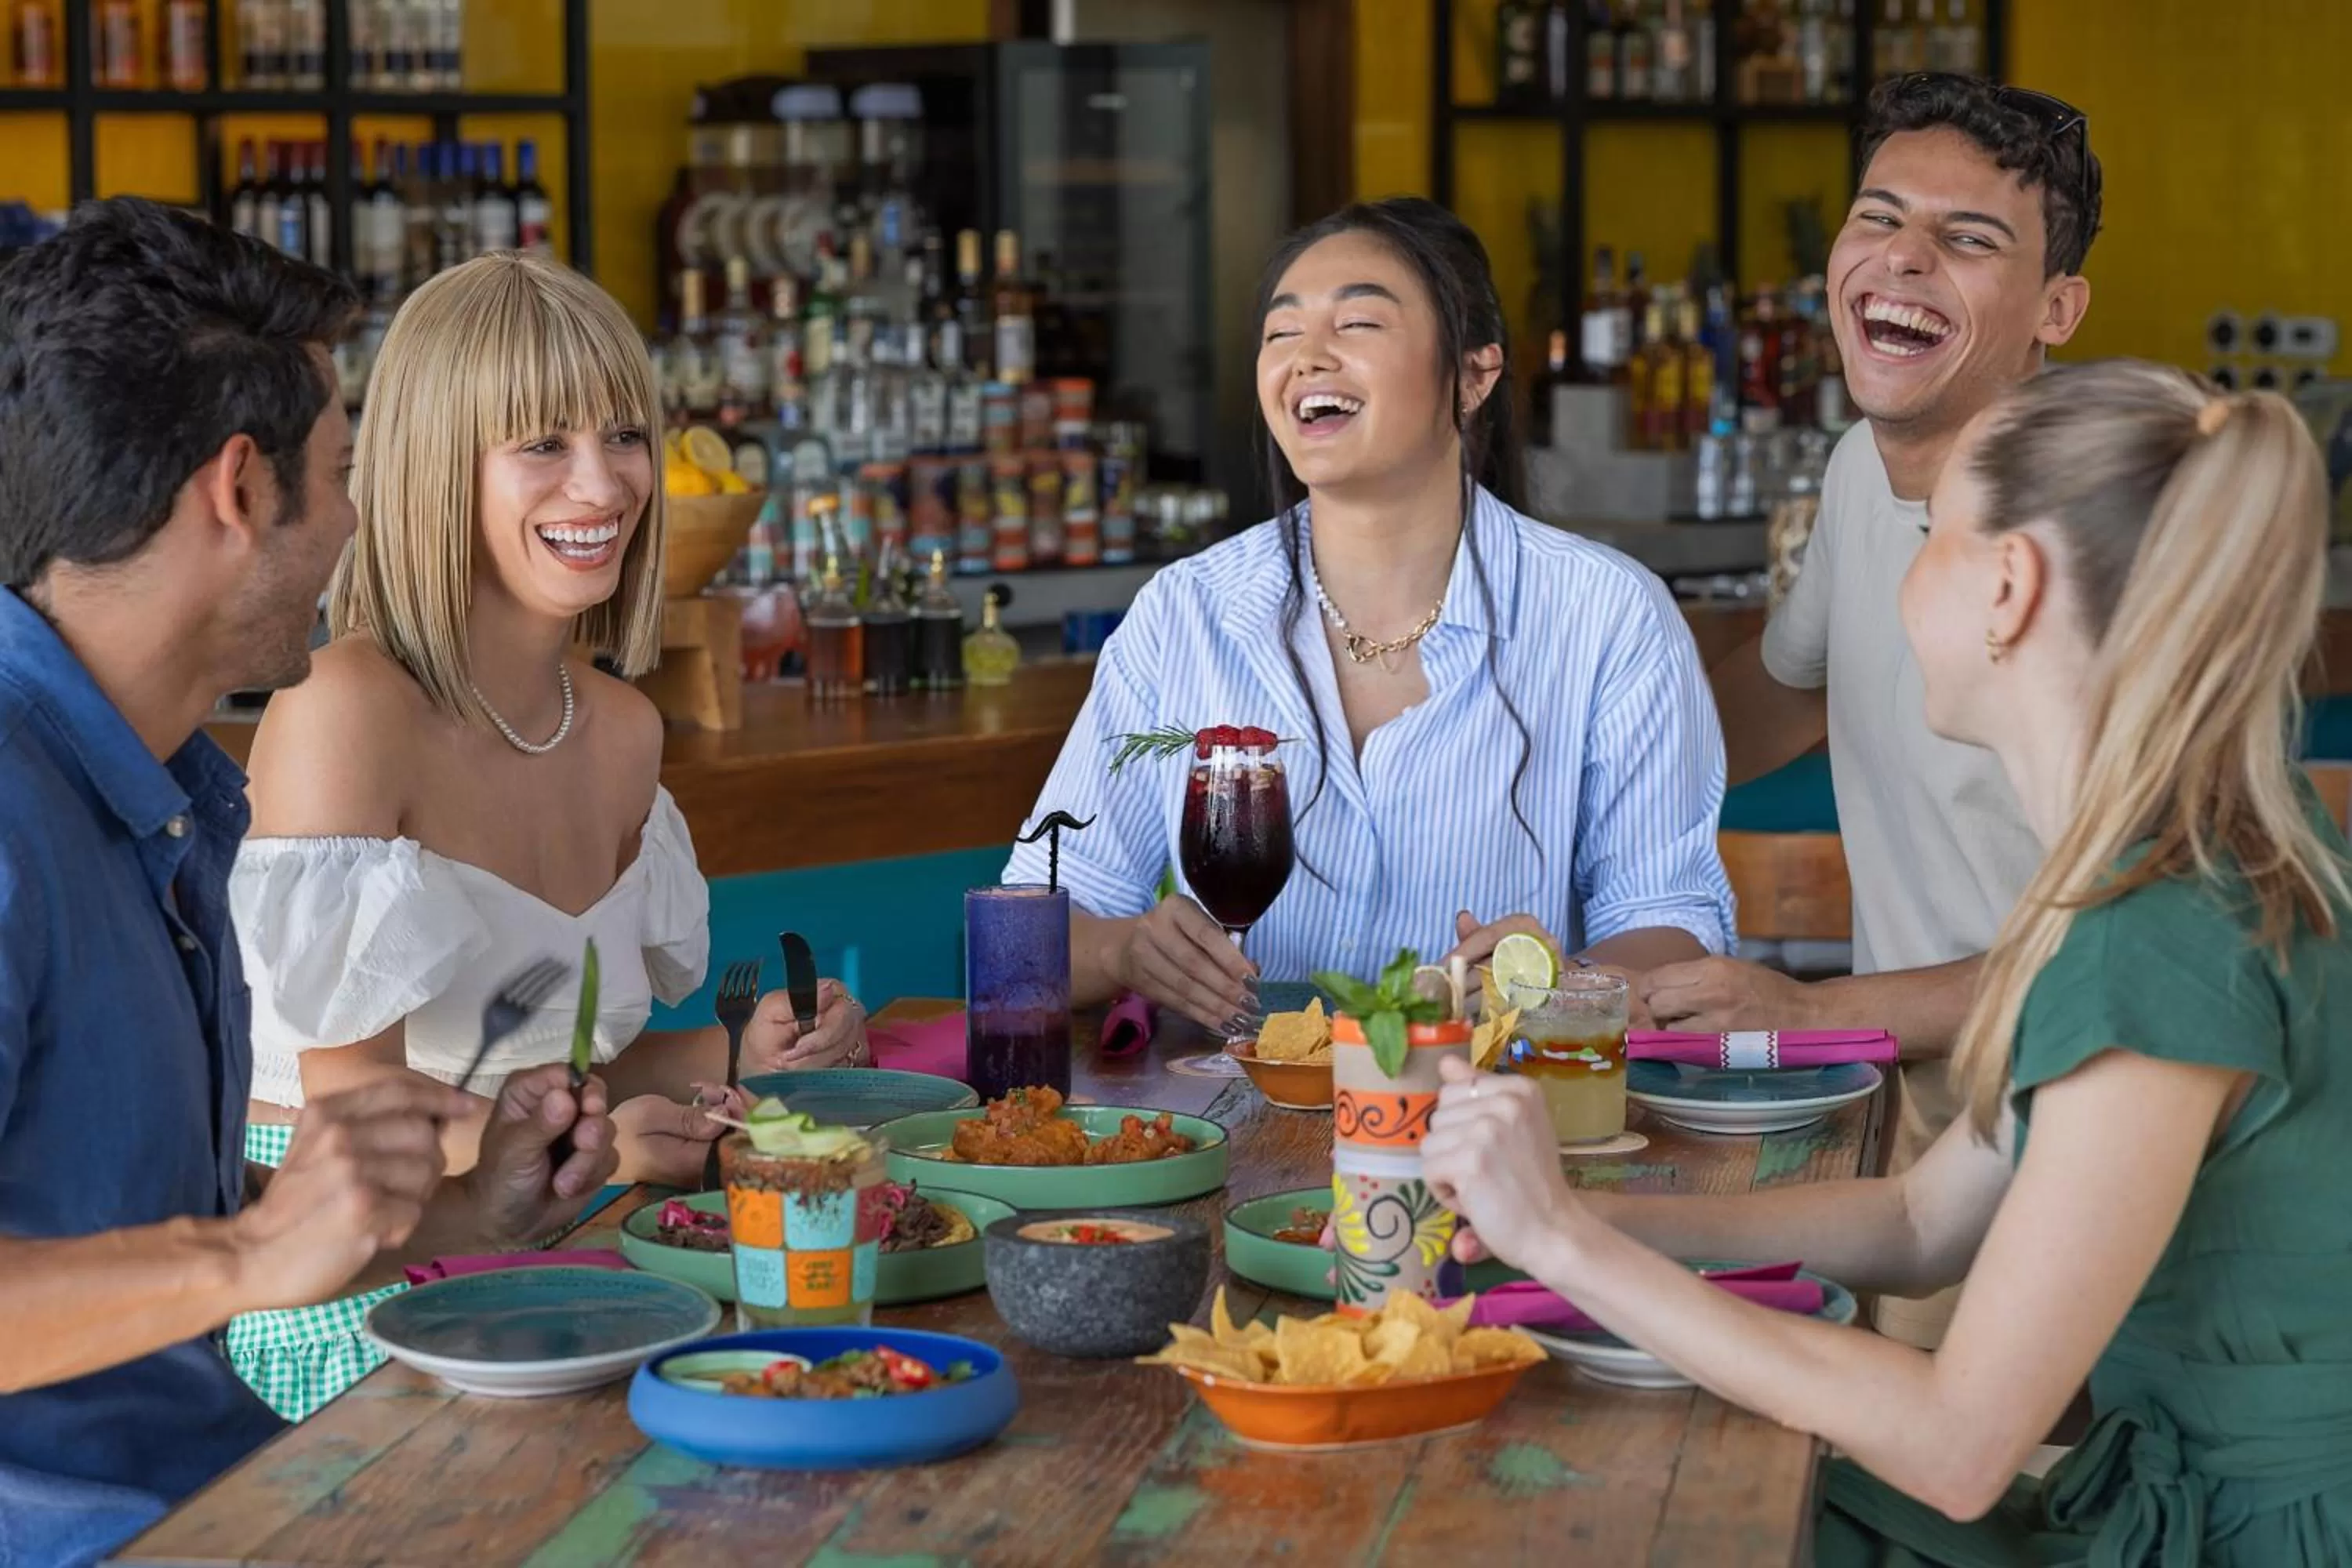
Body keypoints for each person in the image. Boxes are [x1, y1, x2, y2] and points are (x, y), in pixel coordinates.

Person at [1425, 360, 2352, 1564]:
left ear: (2008, 589)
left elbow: (1961, 1445)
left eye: (1935, 539)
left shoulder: (2161, 934)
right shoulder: (2154, 872)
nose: (1904, 574)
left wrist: (1562, 1241)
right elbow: (1922, 1221)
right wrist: (1575, 1213)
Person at [0, 199, 619, 1568]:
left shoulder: (165, 795)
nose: (354, 524)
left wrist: (467, 1213)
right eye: (338, 471)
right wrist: (249, 1263)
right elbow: (221, 1261)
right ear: (237, 489)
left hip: (218, 1493)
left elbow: (139, 1243)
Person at [223, 249, 869, 1422]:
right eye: (541, 445)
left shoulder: (620, 726)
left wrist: (740, 1062)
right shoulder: (343, 712)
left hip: (545, 1256)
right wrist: (610, 1154)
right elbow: (357, 1132)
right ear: (434, 467)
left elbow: (545, 1085)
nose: (605, 484)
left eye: (625, 436)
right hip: (352, 1304)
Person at [1004, 198, 1735, 1023]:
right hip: (1231, 1122)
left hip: (1485, 1117)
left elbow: (1669, 924)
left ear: (1473, 375)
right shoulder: (1187, 614)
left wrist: (1557, 982)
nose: (1308, 357)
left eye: (1357, 323)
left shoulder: (1608, 616)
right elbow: (1024, 931)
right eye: (1282, 334)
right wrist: (1122, 950)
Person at [1643, 74, 2100, 1345]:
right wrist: (1569, 795)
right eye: (1879, 218)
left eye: (1968, 240)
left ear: (2056, 308)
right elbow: (1788, 690)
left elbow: (2134, 949)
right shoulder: (1859, 469)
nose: (1901, 260)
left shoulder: (2092, 540)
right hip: (1907, 1098)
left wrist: (1808, 1008)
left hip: (2078, 1101)